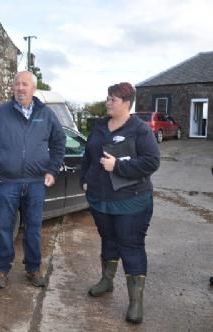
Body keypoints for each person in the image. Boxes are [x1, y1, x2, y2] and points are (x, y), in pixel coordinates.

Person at [0, 71, 66, 289]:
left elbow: (59, 142)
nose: (20, 88)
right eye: (17, 84)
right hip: (6, 182)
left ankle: (33, 269)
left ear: (34, 89)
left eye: (24, 84)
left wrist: (52, 170)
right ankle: (1, 270)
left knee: (33, 228)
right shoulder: (0, 113)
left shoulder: (46, 114)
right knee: (4, 228)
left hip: (36, 183)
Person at [80, 82, 160, 324]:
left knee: (131, 245)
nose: (108, 102)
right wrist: (86, 179)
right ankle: (106, 281)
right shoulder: (99, 126)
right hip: (100, 200)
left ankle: (136, 301)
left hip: (131, 201)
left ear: (127, 103)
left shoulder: (140, 130)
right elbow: (88, 155)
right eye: (108, 97)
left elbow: (151, 162)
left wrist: (119, 166)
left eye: (113, 99)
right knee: (108, 239)